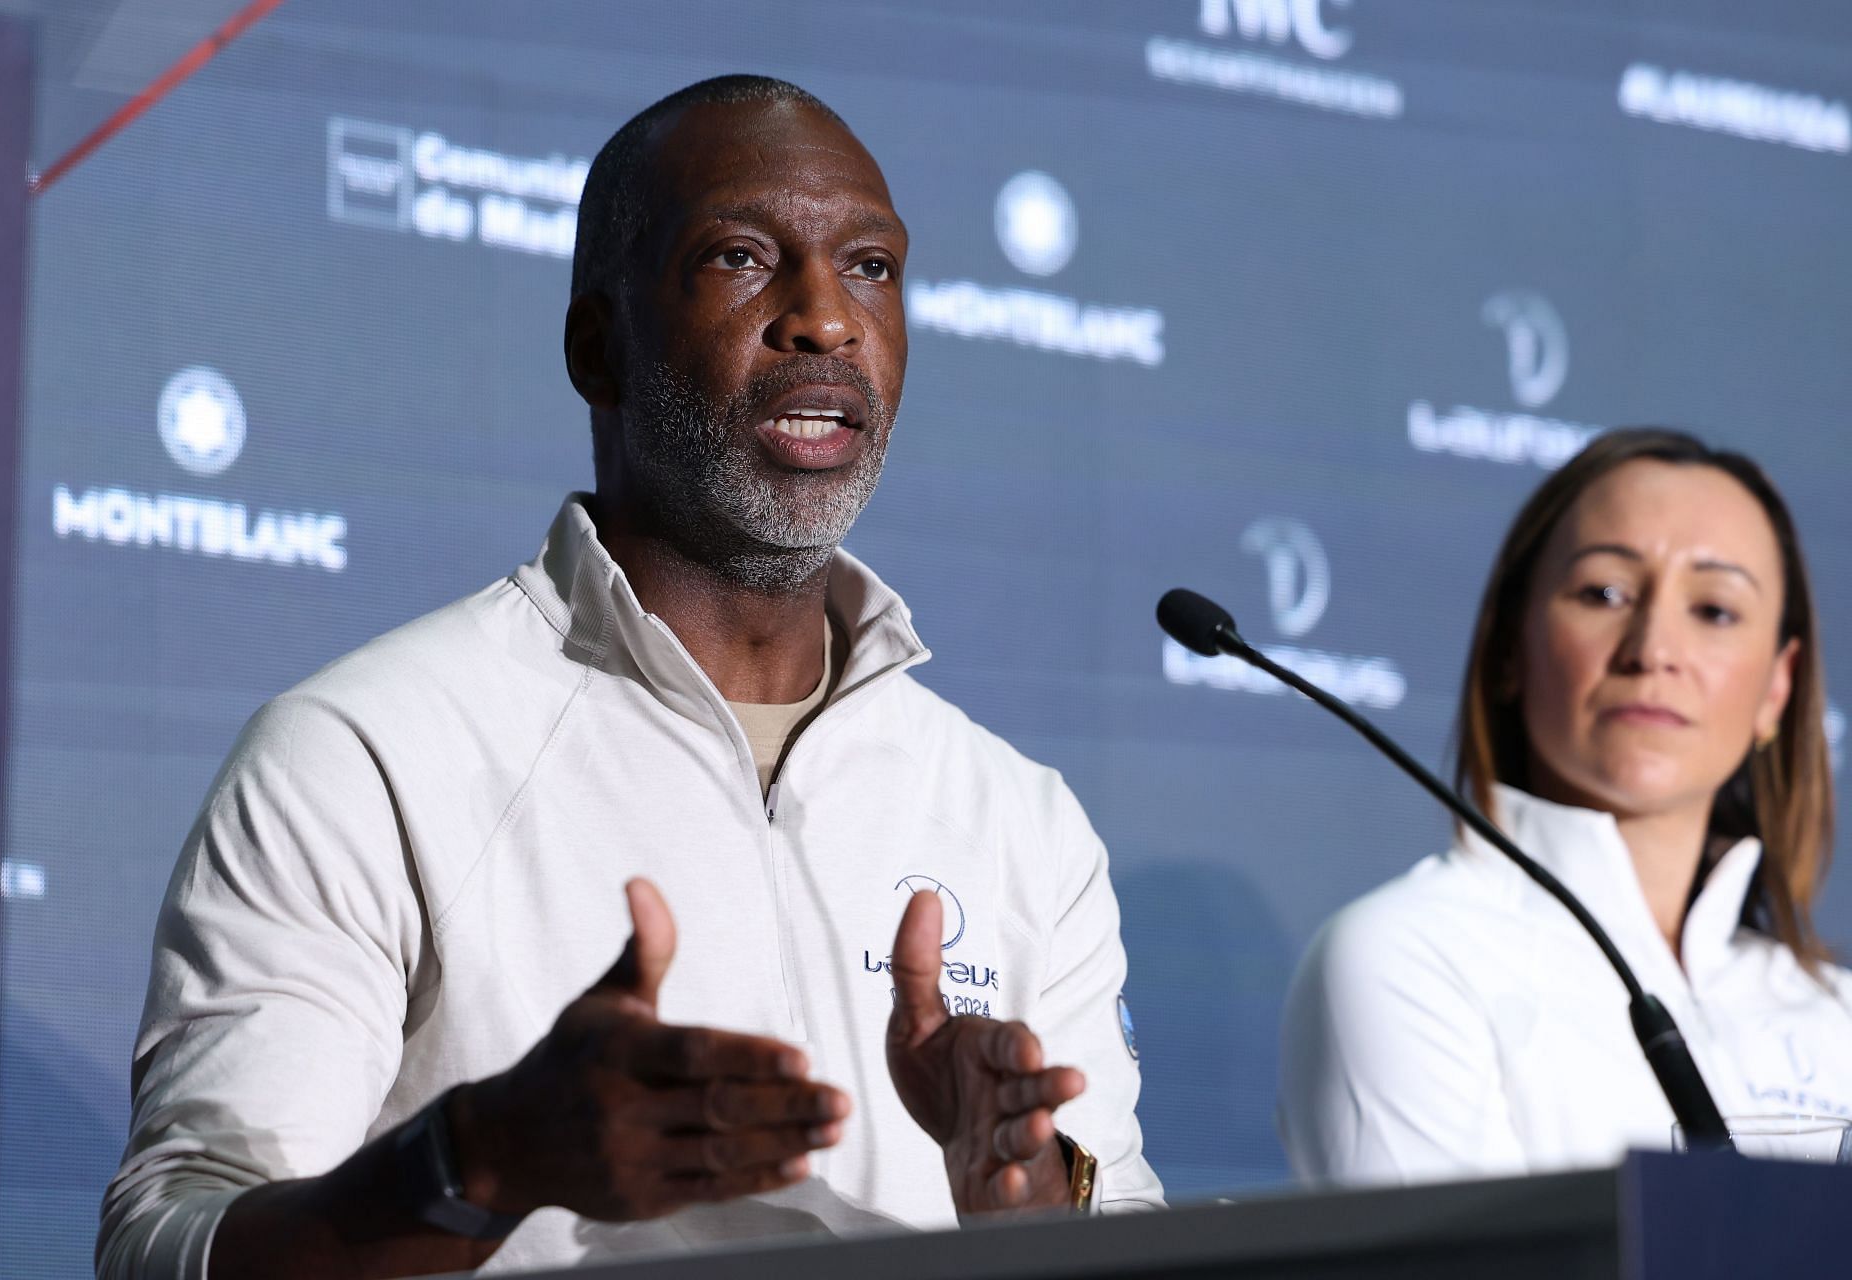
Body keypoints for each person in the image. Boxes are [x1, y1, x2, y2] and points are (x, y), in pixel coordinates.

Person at [96, 75, 1161, 1280]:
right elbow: (163, 1250)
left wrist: (1033, 1206)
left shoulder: (1020, 818)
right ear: (597, 346)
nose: (825, 318)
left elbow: (1130, 1234)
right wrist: (478, 1160)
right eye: (743, 256)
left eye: (871, 266)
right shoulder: (362, 753)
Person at [1279, 427, 1852, 1185]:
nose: (1653, 648)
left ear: (1778, 687)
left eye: (1713, 609)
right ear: (1514, 646)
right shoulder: (1406, 958)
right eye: (1605, 594)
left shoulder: (1836, 1011)